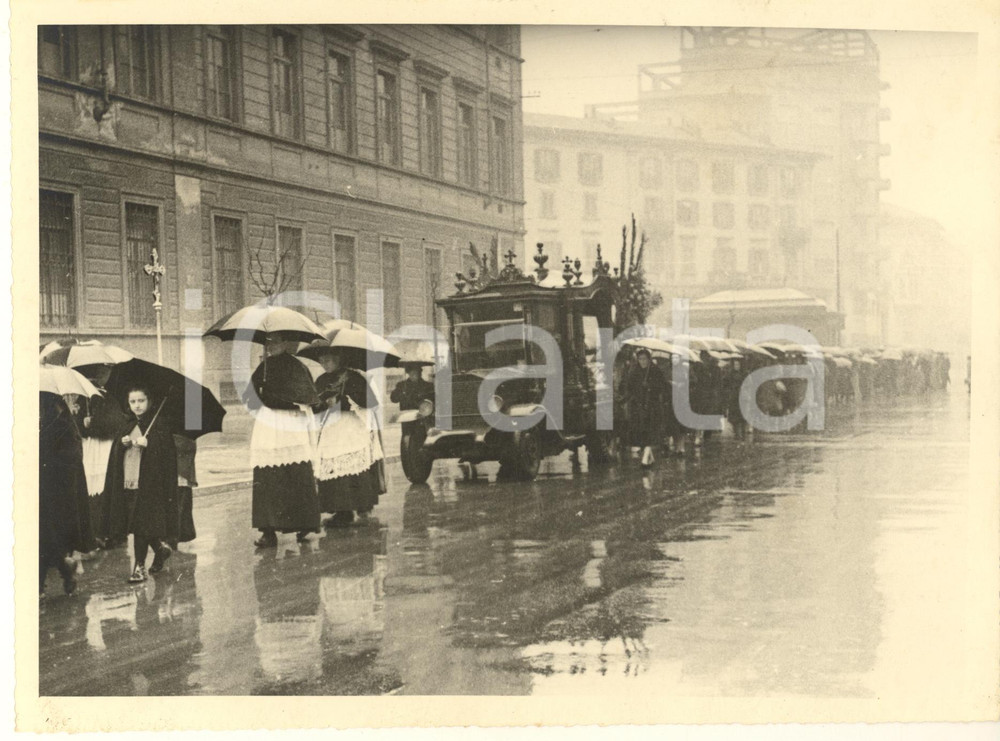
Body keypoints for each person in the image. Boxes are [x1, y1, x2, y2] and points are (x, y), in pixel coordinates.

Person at [245, 332, 321, 548]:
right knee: (266, 477)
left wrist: (277, 398)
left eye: (275, 342)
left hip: (290, 426)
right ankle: (268, 531)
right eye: (268, 342)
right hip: (268, 427)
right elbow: (250, 397)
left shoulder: (296, 367)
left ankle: (304, 523)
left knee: (295, 474)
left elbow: (306, 397)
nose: (270, 346)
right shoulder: (263, 367)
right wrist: (259, 394)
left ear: (286, 343)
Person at [101, 387, 178, 584]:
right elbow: (116, 454)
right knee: (137, 523)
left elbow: (168, 457)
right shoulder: (126, 425)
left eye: (141, 401)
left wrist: (150, 444)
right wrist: (122, 443)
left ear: (149, 401)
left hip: (149, 485)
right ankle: (160, 549)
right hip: (128, 481)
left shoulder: (159, 424)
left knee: (141, 524)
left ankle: (139, 567)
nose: (137, 405)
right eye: (133, 401)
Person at [312, 348, 386, 528]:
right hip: (331, 429)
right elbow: (313, 405)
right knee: (334, 467)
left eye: (328, 360)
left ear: (337, 358)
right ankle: (341, 512)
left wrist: (343, 401)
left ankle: (362, 506)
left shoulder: (354, 377)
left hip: (352, 427)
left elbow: (369, 402)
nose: (324, 364)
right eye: (321, 361)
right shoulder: (321, 380)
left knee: (355, 467)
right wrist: (325, 403)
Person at [76, 364, 130, 548]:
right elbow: (78, 427)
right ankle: (94, 531)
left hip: (105, 447)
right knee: (92, 486)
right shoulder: (83, 398)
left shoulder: (107, 398)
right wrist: (83, 423)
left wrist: (94, 423)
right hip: (91, 448)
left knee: (106, 485)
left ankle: (111, 531)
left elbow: (115, 423)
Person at [39, 392, 87, 596]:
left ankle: (41, 587)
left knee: (44, 538)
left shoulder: (63, 425)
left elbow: (72, 457)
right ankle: (64, 566)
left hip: (53, 491)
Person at [621, 348, 666, 467]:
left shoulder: (655, 371)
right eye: (640, 359)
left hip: (652, 406)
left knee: (650, 431)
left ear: (649, 359)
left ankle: (645, 458)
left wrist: (650, 386)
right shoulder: (634, 372)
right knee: (641, 432)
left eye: (645, 359)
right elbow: (629, 388)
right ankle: (649, 457)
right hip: (638, 407)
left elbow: (662, 386)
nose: (642, 361)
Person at [170, 434, 198, 550]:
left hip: (181, 468)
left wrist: (169, 444)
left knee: (180, 503)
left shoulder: (192, 420)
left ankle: (175, 538)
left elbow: (190, 444)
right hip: (167, 466)